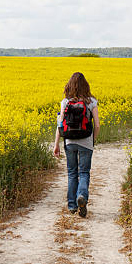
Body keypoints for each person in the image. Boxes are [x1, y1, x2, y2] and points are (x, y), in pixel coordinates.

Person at [53, 72, 100, 217]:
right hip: (86, 141)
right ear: (86, 85)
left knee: (72, 173)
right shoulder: (91, 101)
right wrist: (93, 141)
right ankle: (82, 197)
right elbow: (97, 125)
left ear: (70, 85)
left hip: (70, 141)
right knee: (84, 172)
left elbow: (60, 124)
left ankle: (72, 205)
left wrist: (56, 145)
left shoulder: (65, 102)